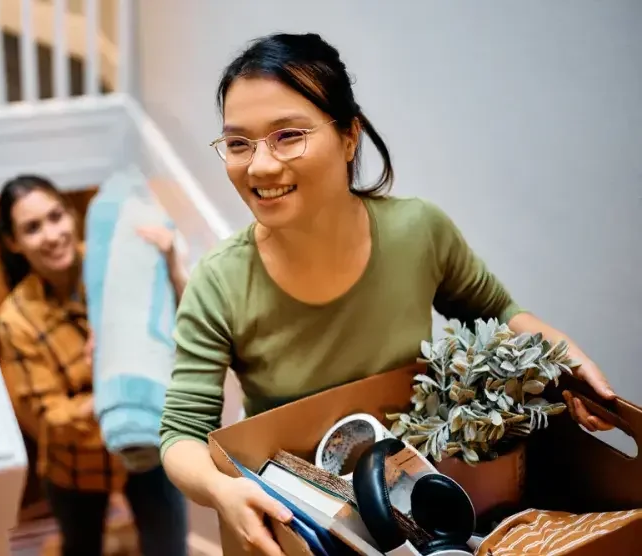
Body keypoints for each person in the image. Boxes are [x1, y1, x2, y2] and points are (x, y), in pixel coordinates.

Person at [158, 32, 619, 556]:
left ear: (349, 136)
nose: (259, 166)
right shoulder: (220, 281)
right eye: (239, 143)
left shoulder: (418, 232)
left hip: (417, 502)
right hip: (302, 521)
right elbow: (181, 435)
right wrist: (222, 489)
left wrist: (567, 357)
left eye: (288, 135)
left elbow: (498, 312)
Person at [0, 175, 191, 556]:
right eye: (32, 228)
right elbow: (48, 416)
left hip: (148, 440)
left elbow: (175, 328)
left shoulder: (114, 259)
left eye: (56, 216)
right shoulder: (15, 319)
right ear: (12, 242)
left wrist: (173, 266)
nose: (52, 235)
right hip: (75, 465)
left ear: (72, 215)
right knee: (81, 548)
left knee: (169, 547)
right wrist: (110, 378)